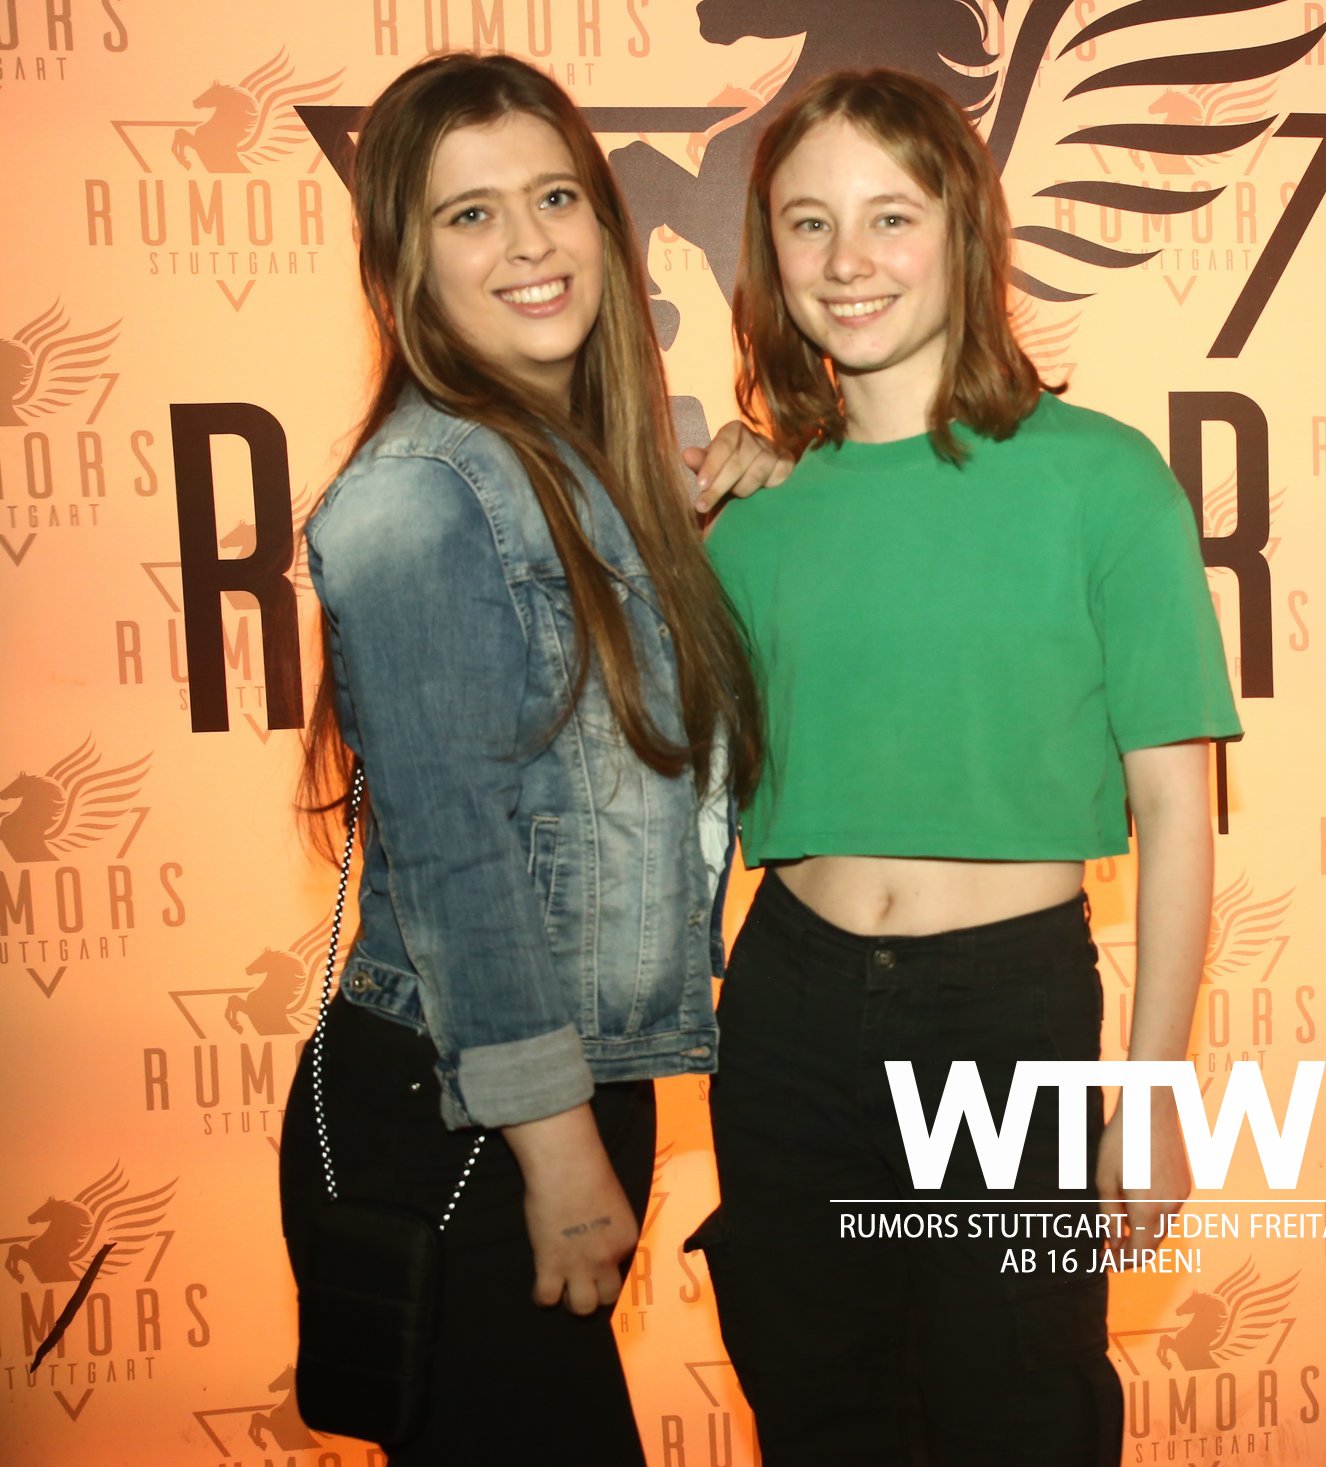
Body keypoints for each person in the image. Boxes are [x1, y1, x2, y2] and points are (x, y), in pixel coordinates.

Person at [688, 68, 1240, 1465]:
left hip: (1003, 1017)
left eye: (891, 216)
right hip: (788, 1013)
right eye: (808, 223)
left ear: (964, 233)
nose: (848, 260)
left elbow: (1177, 808)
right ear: (769, 254)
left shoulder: (1104, 479)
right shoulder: (750, 516)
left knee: (1020, 1415)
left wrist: (1155, 1094)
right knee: (820, 1418)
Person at [277, 53, 762, 1464]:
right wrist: (556, 1149)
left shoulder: (581, 476)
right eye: (470, 214)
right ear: (404, 263)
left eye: (555, 197)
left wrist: (746, 506)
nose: (531, 243)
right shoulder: (421, 493)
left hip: (555, 1093)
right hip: (468, 1112)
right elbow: (458, 859)